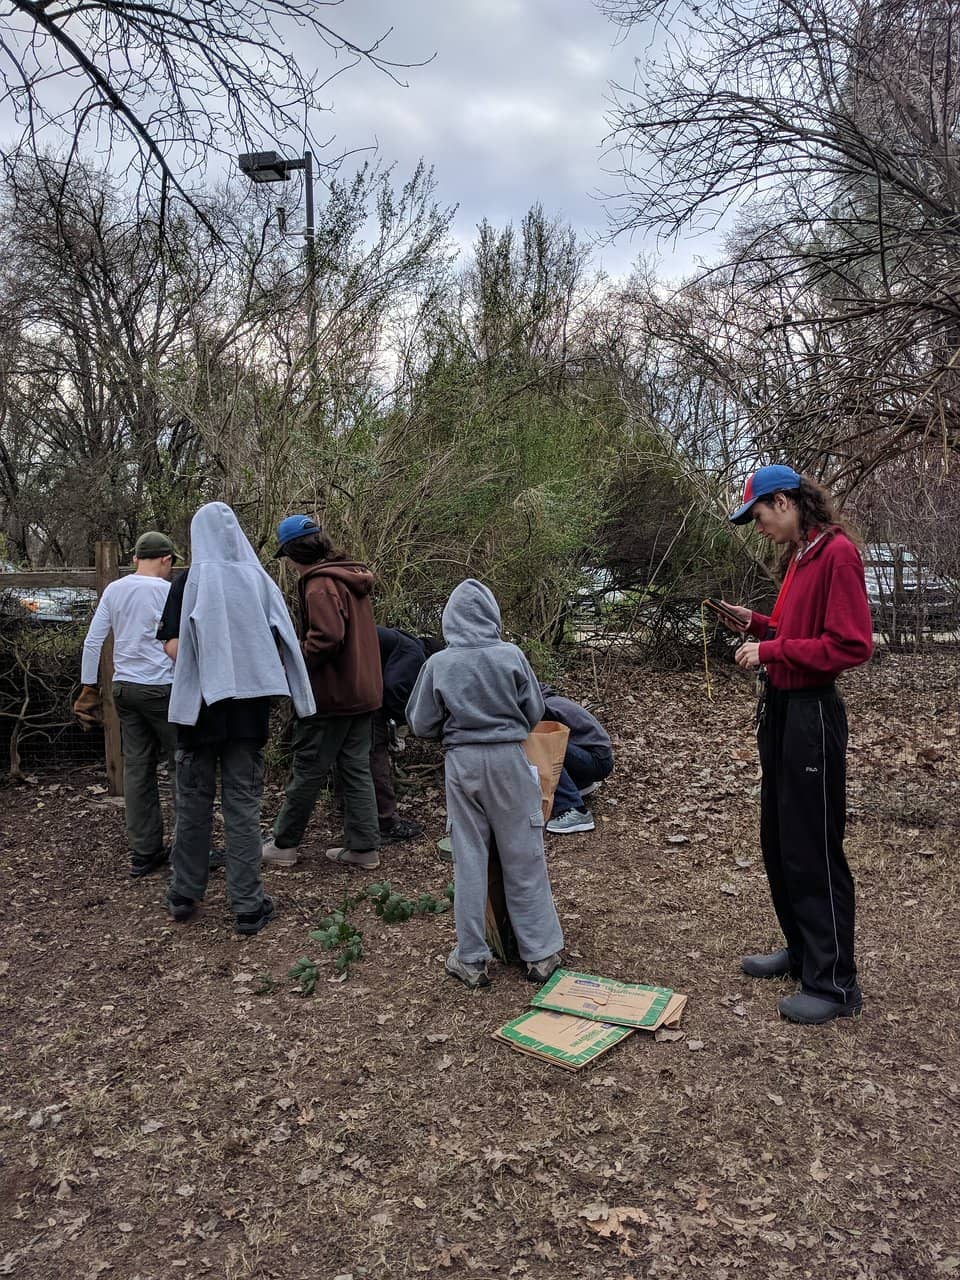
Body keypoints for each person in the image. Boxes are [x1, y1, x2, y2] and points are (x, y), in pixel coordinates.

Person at [719, 465, 873, 1025]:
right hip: (783, 711)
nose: (756, 526)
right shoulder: (801, 557)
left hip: (813, 715)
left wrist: (773, 653)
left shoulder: (836, 555)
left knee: (813, 845)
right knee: (780, 837)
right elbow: (793, 633)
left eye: (757, 515)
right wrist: (760, 625)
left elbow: (850, 645)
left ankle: (834, 985)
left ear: (783, 501)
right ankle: (803, 951)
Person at [159, 502, 314, 936]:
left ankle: (183, 894)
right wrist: (301, 698)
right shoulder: (258, 582)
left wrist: (204, 660)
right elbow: (286, 642)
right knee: (242, 806)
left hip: (197, 712)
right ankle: (248, 905)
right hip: (247, 714)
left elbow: (171, 647)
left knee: (192, 804)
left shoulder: (187, 583)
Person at [406, 579, 564, 989]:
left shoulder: (439, 663)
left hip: (463, 764)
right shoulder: (511, 655)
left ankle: (472, 958)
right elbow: (534, 710)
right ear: (493, 615)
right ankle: (541, 955)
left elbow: (421, 722)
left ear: (449, 619)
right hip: (510, 759)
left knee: (469, 858)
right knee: (524, 854)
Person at [262, 515, 383, 870]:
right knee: (356, 768)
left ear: (292, 553)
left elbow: (327, 638)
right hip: (363, 692)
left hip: (332, 696)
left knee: (308, 768)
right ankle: (364, 848)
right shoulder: (349, 575)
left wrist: (293, 657)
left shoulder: (318, 585)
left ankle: (284, 844)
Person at [76, 531, 178, 878]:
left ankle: (144, 852)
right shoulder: (169, 592)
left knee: (137, 769)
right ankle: (189, 849)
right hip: (163, 689)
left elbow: (93, 642)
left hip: (124, 689)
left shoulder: (115, 590)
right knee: (184, 767)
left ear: (135, 559)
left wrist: (89, 687)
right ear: (166, 559)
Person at [371, 626, 430, 843]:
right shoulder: (415, 654)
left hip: (344, 688)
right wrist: (397, 724)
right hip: (366, 697)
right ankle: (387, 823)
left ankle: (352, 813)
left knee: (353, 755)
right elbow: (394, 688)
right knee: (376, 754)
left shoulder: (400, 641)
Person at [539, 682, 615, 835]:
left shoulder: (545, 707)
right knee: (547, 744)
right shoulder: (552, 701)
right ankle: (580, 785)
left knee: (544, 747)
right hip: (597, 757)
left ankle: (574, 809)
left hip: (596, 759)